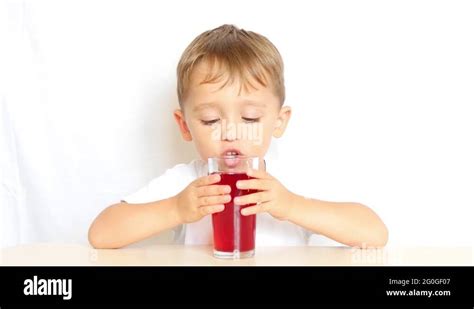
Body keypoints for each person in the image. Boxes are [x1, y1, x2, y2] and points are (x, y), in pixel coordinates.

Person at [88, 24, 388, 249]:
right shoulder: (186, 182)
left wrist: (293, 205)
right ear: (185, 126)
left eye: (250, 118)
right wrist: (176, 208)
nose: (231, 131)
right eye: (210, 120)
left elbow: (374, 234)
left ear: (279, 122)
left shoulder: (289, 181)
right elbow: (101, 234)